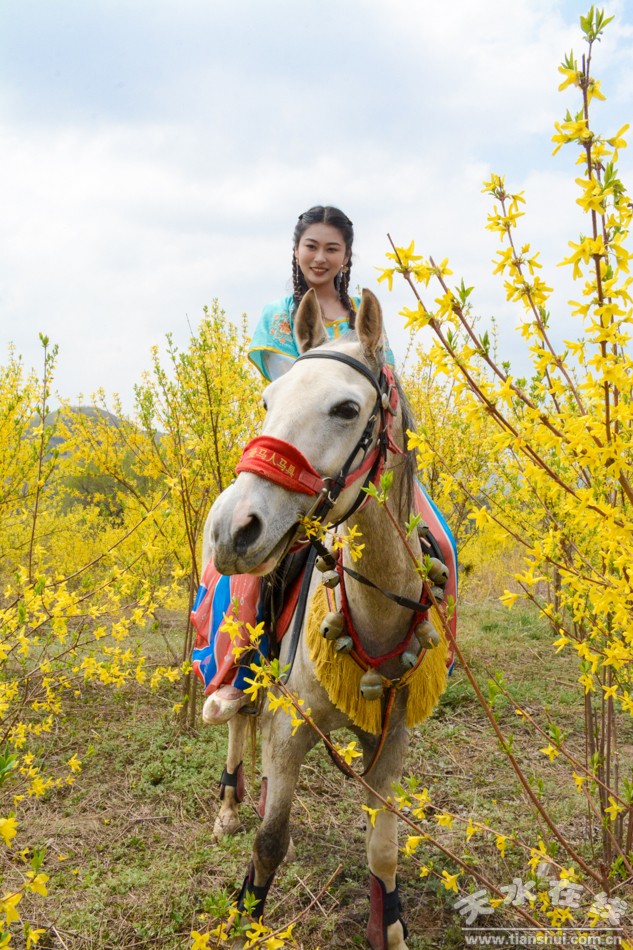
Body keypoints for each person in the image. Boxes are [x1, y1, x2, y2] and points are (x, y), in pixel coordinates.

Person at [191, 206, 457, 724]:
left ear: (346, 256)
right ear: (296, 250)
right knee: (250, 565)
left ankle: (437, 653)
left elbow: (388, 387)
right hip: (297, 453)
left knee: (441, 542)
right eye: (311, 246)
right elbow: (295, 394)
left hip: (363, 459)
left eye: (332, 248)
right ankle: (240, 670)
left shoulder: (363, 316)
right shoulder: (280, 315)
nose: (320, 257)